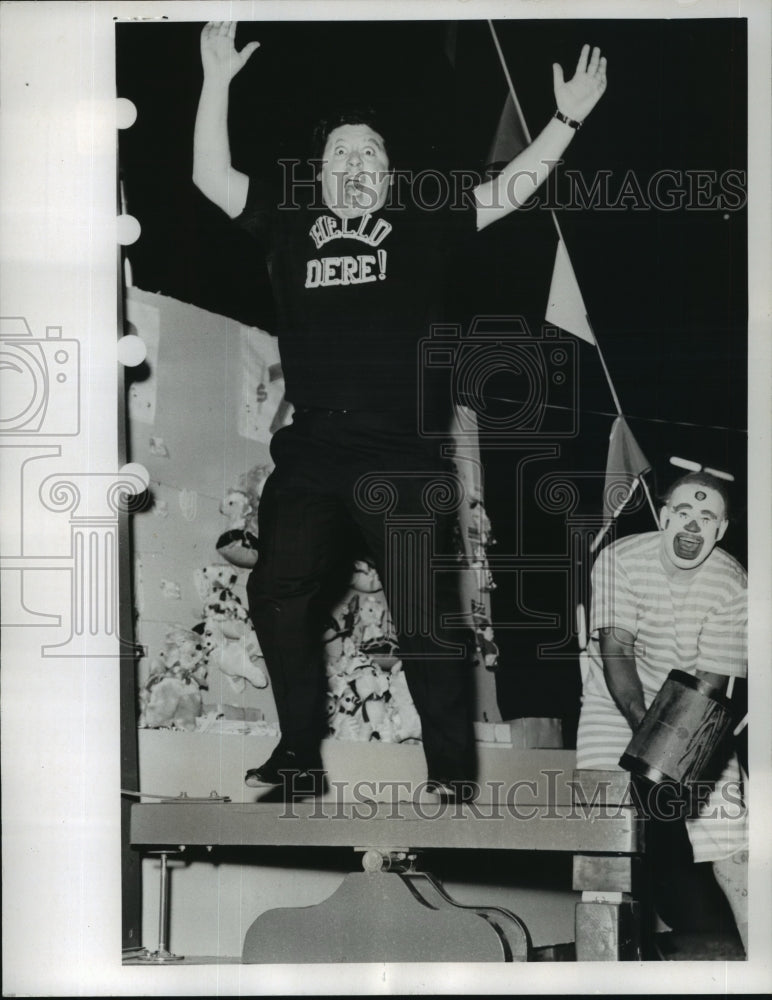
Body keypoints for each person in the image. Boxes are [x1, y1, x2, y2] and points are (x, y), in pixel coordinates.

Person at [193, 21, 608, 801]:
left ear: (388, 175)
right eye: (341, 152)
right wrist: (216, 79)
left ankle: (449, 771)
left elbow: (509, 190)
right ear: (318, 174)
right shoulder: (289, 222)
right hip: (313, 442)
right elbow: (214, 179)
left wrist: (567, 120)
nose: (356, 161)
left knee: (425, 619)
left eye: (371, 153)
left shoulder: (422, 224)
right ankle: (296, 755)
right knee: (276, 590)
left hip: (404, 449)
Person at [576, 472, 748, 953]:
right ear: (665, 515)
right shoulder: (619, 559)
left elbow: (710, 684)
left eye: (707, 517)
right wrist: (644, 732)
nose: (693, 526)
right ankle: (599, 969)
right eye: (683, 513)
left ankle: (764, 961)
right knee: (603, 839)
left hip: (694, 705)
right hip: (618, 699)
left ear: (722, 530)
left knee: (735, 846)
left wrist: (674, 760)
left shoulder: (732, 584)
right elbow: (617, 650)